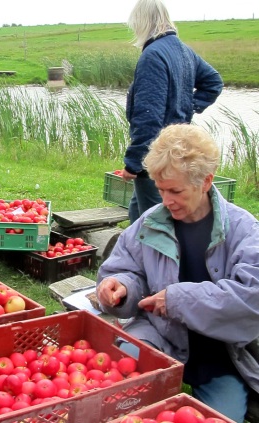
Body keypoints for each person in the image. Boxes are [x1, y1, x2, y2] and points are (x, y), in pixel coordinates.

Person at [97, 124, 259, 423]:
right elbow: (126, 267)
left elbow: (251, 298)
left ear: (206, 181)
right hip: (160, 333)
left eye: (176, 191)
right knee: (115, 385)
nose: (166, 200)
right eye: (160, 190)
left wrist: (177, 299)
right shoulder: (150, 222)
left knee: (219, 417)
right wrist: (120, 287)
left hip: (220, 351)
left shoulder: (244, 229)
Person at [122, 0, 223, 224]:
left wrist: (134, 162)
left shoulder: (153, 55)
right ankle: (131, 256)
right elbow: (213, 82)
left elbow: (148, 116)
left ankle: (161, 258)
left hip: (159, 153)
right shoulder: (183, 50)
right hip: (178, 147)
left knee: (155, 223)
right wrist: (187, 106)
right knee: (138, 214)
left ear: (141, 22)